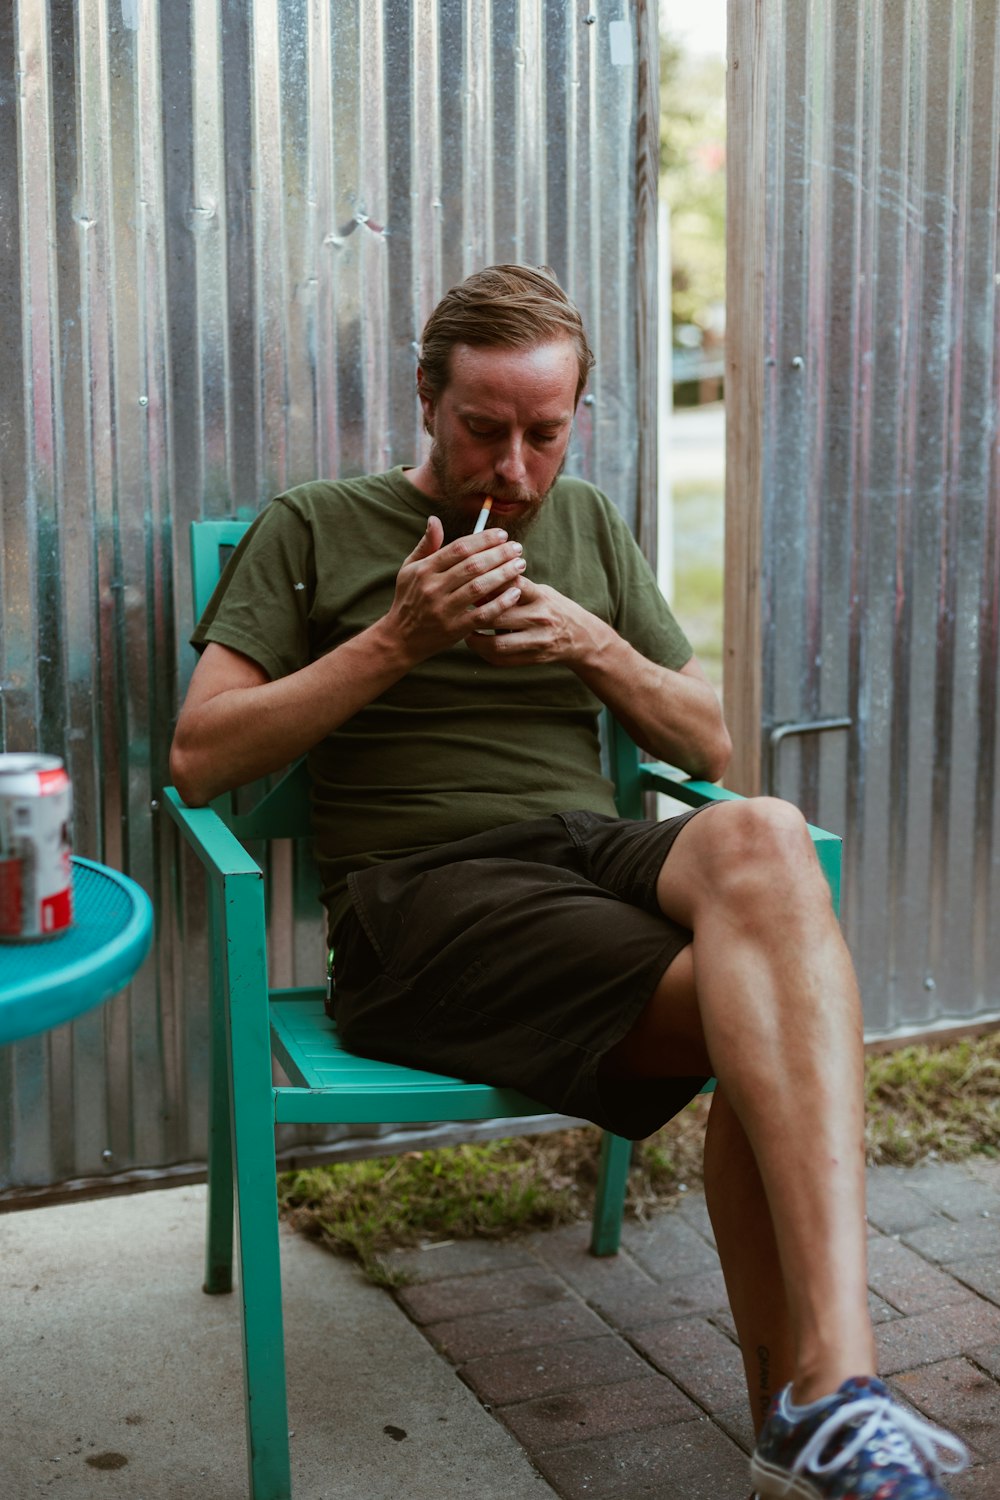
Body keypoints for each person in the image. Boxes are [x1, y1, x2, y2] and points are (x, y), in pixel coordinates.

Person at [170, 264, 968, 1500]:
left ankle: (832, 1394)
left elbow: (705, 744)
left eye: (545, 434)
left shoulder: (587, 524)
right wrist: (396, 639)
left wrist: (595, 644)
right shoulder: (316, 524)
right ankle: (812, 1415)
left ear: (575, 421)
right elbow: (200, 755)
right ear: (426, 399)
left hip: (584, 862)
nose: (515, 468)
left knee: (763, 831)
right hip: (420, 903)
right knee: (770, 1013)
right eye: (484, 429)